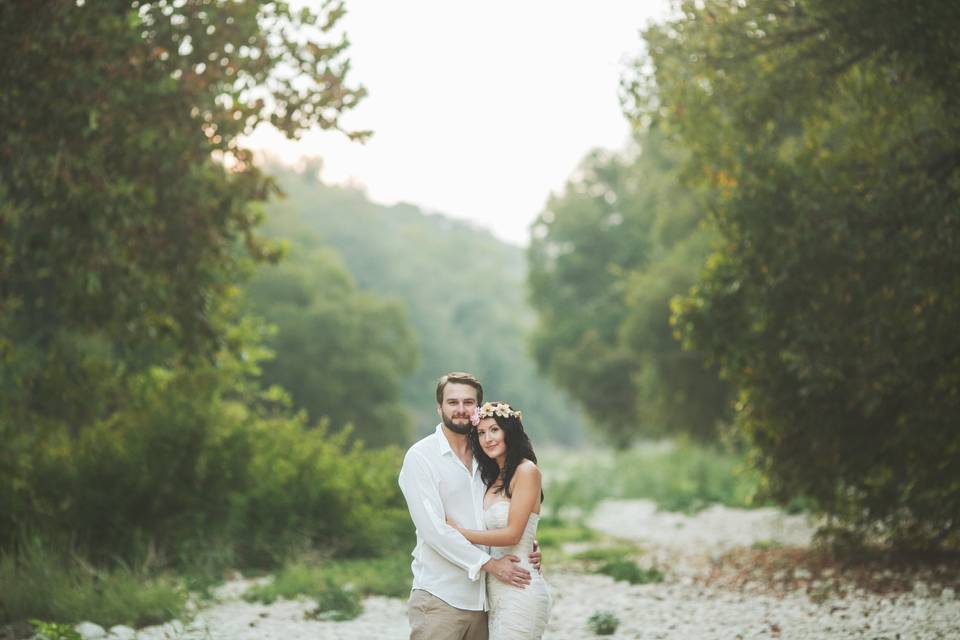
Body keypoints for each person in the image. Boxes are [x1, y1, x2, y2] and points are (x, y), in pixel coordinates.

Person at [398, 372, 542, 640]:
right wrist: (491, 564)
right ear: (439, 407)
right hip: (442, 596)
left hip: (487, 598)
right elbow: (434, 531)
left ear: (478, 409)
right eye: (453, 402)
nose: (461, 409)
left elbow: (508, 511)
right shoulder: (421, 457)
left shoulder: (488, 457)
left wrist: (527, 544)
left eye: (468, 402)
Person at [447, 400, 552, 640]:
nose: (487, 439)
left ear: (509, 432)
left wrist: (457, 532)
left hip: (520, 584)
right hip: (495, 587)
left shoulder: (526, 471)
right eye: (481, 433)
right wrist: (533, 542)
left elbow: (513, 534)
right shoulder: (492, 478)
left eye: (494, 429)